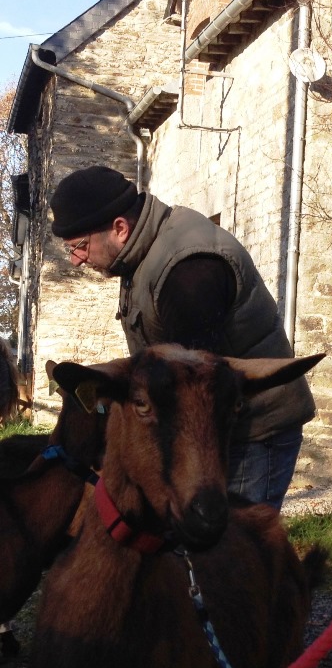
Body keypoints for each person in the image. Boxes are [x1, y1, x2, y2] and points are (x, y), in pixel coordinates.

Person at [49, 166, 317, 511]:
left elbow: (194, 390)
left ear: (119, 228)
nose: (75, 261)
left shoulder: (186, 270)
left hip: (251, 433)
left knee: (233, 550)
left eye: (80, 246)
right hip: (211, 428)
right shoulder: (143, 254)